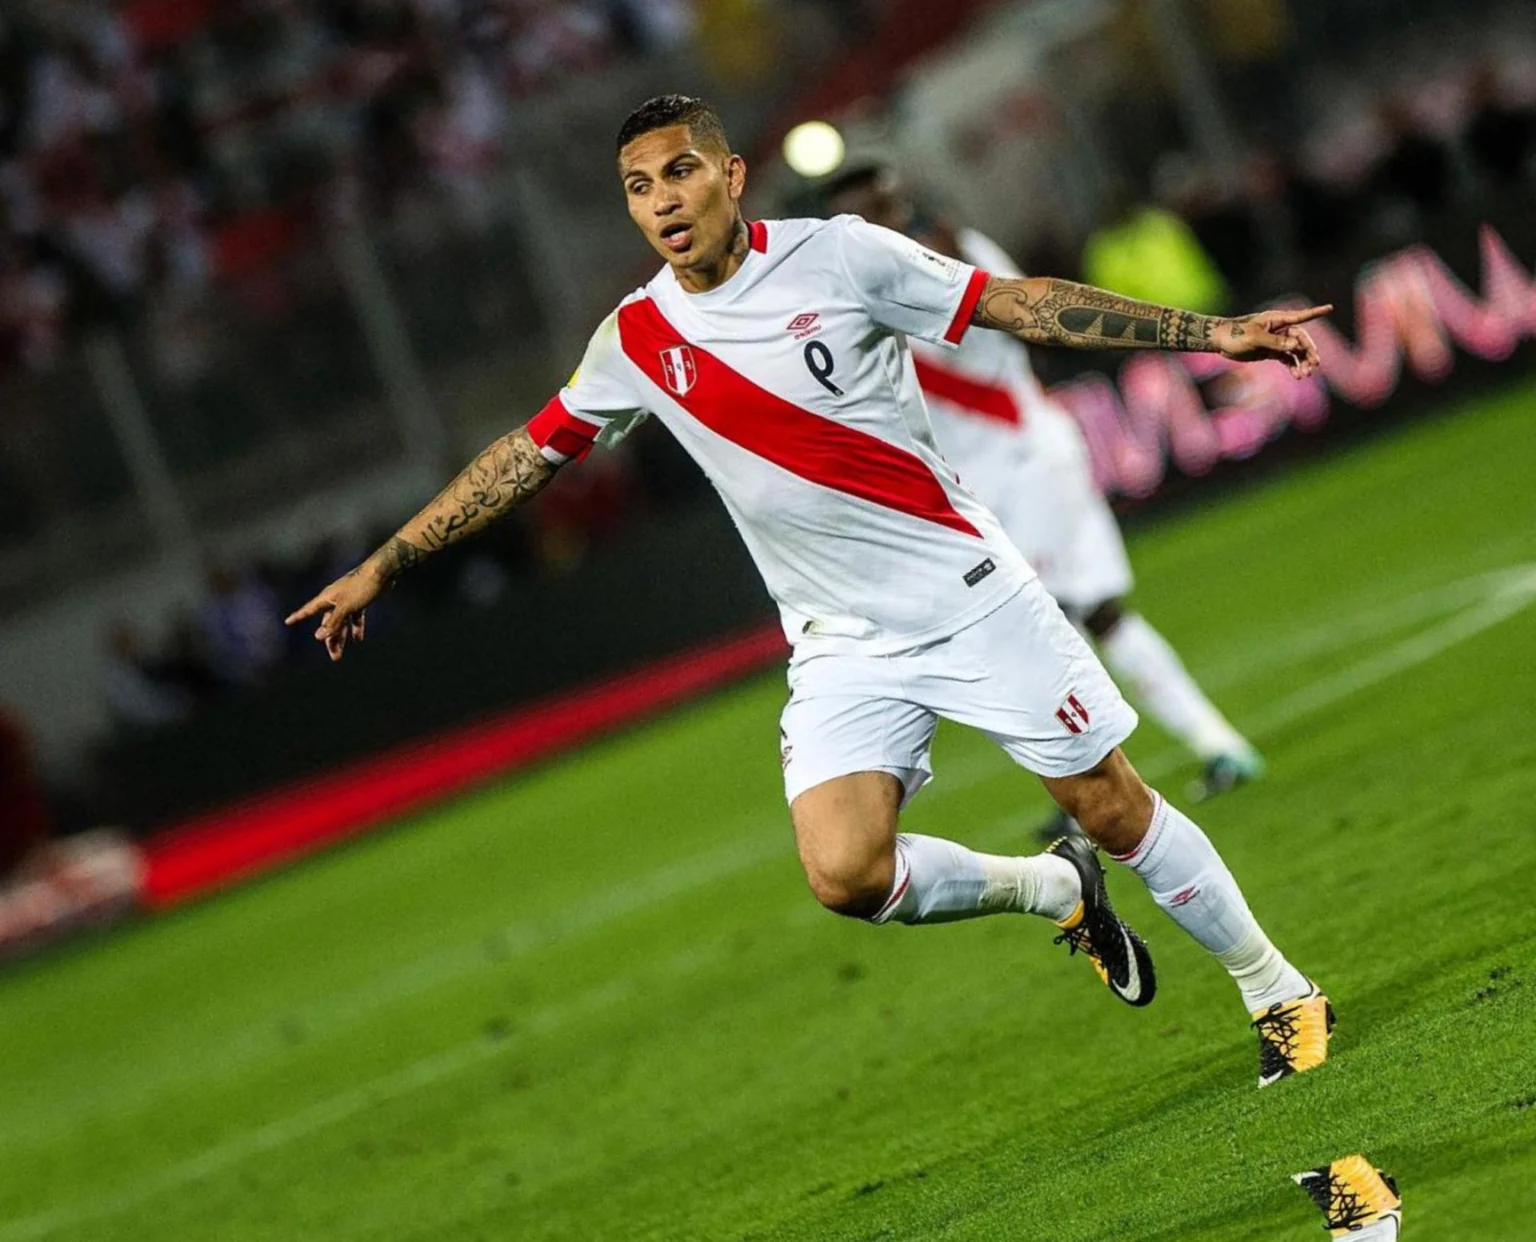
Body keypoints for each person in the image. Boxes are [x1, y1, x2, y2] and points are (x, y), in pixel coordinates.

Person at [289, 95, 1335, 1087]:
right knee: (845, 873)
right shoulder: (636, 341)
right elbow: (529, 454)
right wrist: (384, 564)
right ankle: (1050, 890)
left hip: (967, 592)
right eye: (637, 185)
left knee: (1113, 805)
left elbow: (1017, 303)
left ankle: (1278, 990)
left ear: (732, 176)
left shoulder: (841, 256)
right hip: (840, 642)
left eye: (681, 171)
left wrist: (1213, 332)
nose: (660, 199)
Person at [820, 161, 1263, 809]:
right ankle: (1190, 755)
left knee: (1059, 624)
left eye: (877, 208)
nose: (869, 225)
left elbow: (1015, 314)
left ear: (900, 203)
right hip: (988, 483)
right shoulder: (862, 295)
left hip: (1028, 462)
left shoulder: (955, 253)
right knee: (1083, 621)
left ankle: (1151, 774)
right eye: (852, 218)